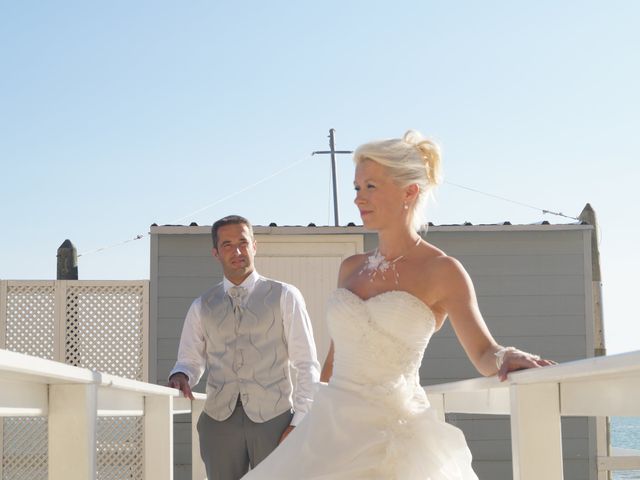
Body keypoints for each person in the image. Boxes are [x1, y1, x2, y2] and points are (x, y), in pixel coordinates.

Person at [241, 130, 555, 479]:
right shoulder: (350, 267)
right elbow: (333, 359)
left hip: (395, 441)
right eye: (357, 188)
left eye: (371, 187)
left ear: (410, 191)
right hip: (328, 434)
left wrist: (503, 356)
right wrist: (304, 422)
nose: (359, 199)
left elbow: (483, 351)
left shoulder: (443, 270)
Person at [168, 215, 321, 480]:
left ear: (254, 246)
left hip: (275, 420)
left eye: (243, 242)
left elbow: (306, 363)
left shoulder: (285, 295)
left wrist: (299, 421)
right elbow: (189, 361)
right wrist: (180, 375)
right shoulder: (202, 305)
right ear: (216, 253)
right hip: (218, 422)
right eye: (227, 244)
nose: (237, 251)